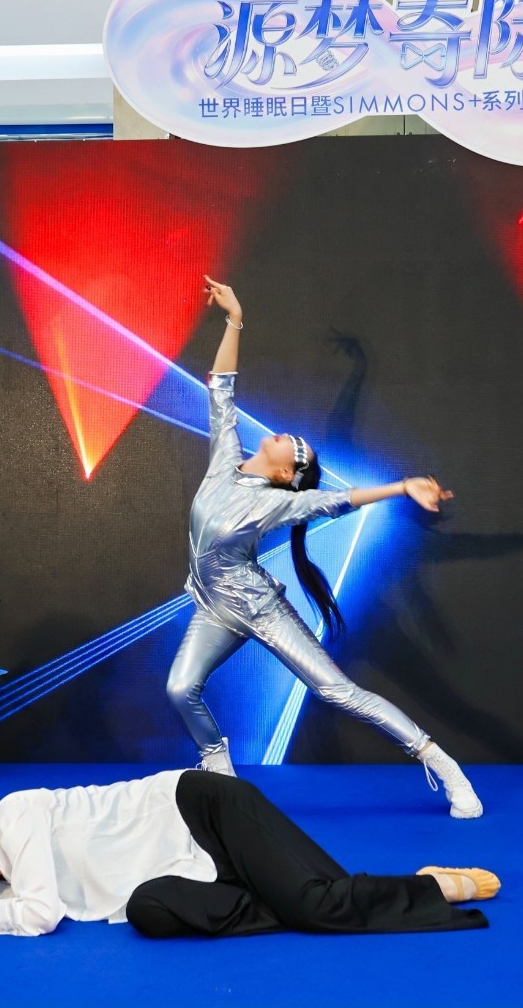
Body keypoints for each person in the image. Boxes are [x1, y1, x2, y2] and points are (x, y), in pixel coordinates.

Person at [166, 276, 483, 819]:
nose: (288, 436)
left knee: (336, 692)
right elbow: (221, 387)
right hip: (214, 607)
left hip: (260, 609)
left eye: (297, 447)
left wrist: (402, 486)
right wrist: (234, 319)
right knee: (180, 688)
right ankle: (218, 765)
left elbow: (340, 500)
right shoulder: (225, 459)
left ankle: (440, 761)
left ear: (287, 475)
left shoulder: (278, 503)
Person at [0, 769, 498, 937]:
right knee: (148, 911)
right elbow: (29, 906)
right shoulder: (10, 892)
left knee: (316, 905)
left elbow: (42, 916)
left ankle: (432, 886)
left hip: (207, 812)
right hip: (197, 874)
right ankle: (293, 899)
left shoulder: (12, 816)